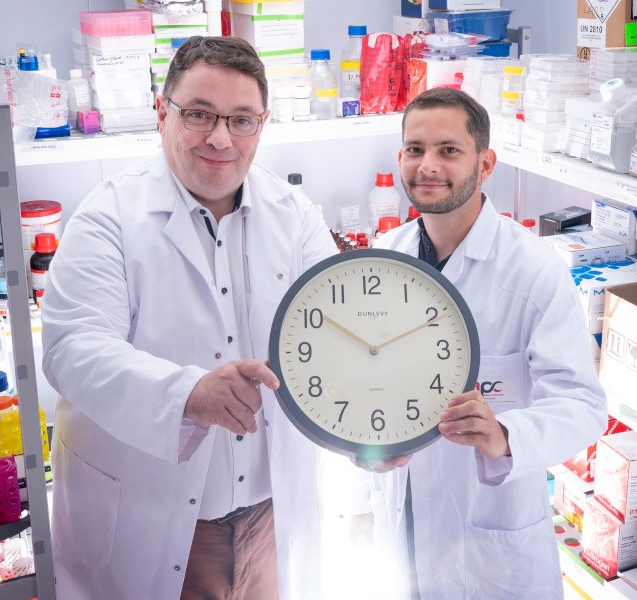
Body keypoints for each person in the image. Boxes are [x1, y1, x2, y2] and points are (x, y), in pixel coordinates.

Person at [40, 36, 338, 600]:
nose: (220, 138)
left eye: (241, 120)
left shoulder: (296, 217)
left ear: (262, 125)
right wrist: (187, 394)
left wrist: (368, 435)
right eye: (199, 114)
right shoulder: (107, 218)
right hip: (150, 522)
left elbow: (333, 343)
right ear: (162, 112)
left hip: (271, 522)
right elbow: (72, 349)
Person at [366, 87, 608, 599]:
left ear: (486, 162)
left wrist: (504, 436)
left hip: (492, 546)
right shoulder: (383, 257)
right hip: (403, 523)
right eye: (415, 149)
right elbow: (368, 384)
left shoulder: (534, 272)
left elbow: (583, 406)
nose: (428, 165)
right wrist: (367, 447)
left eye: (448, 150)